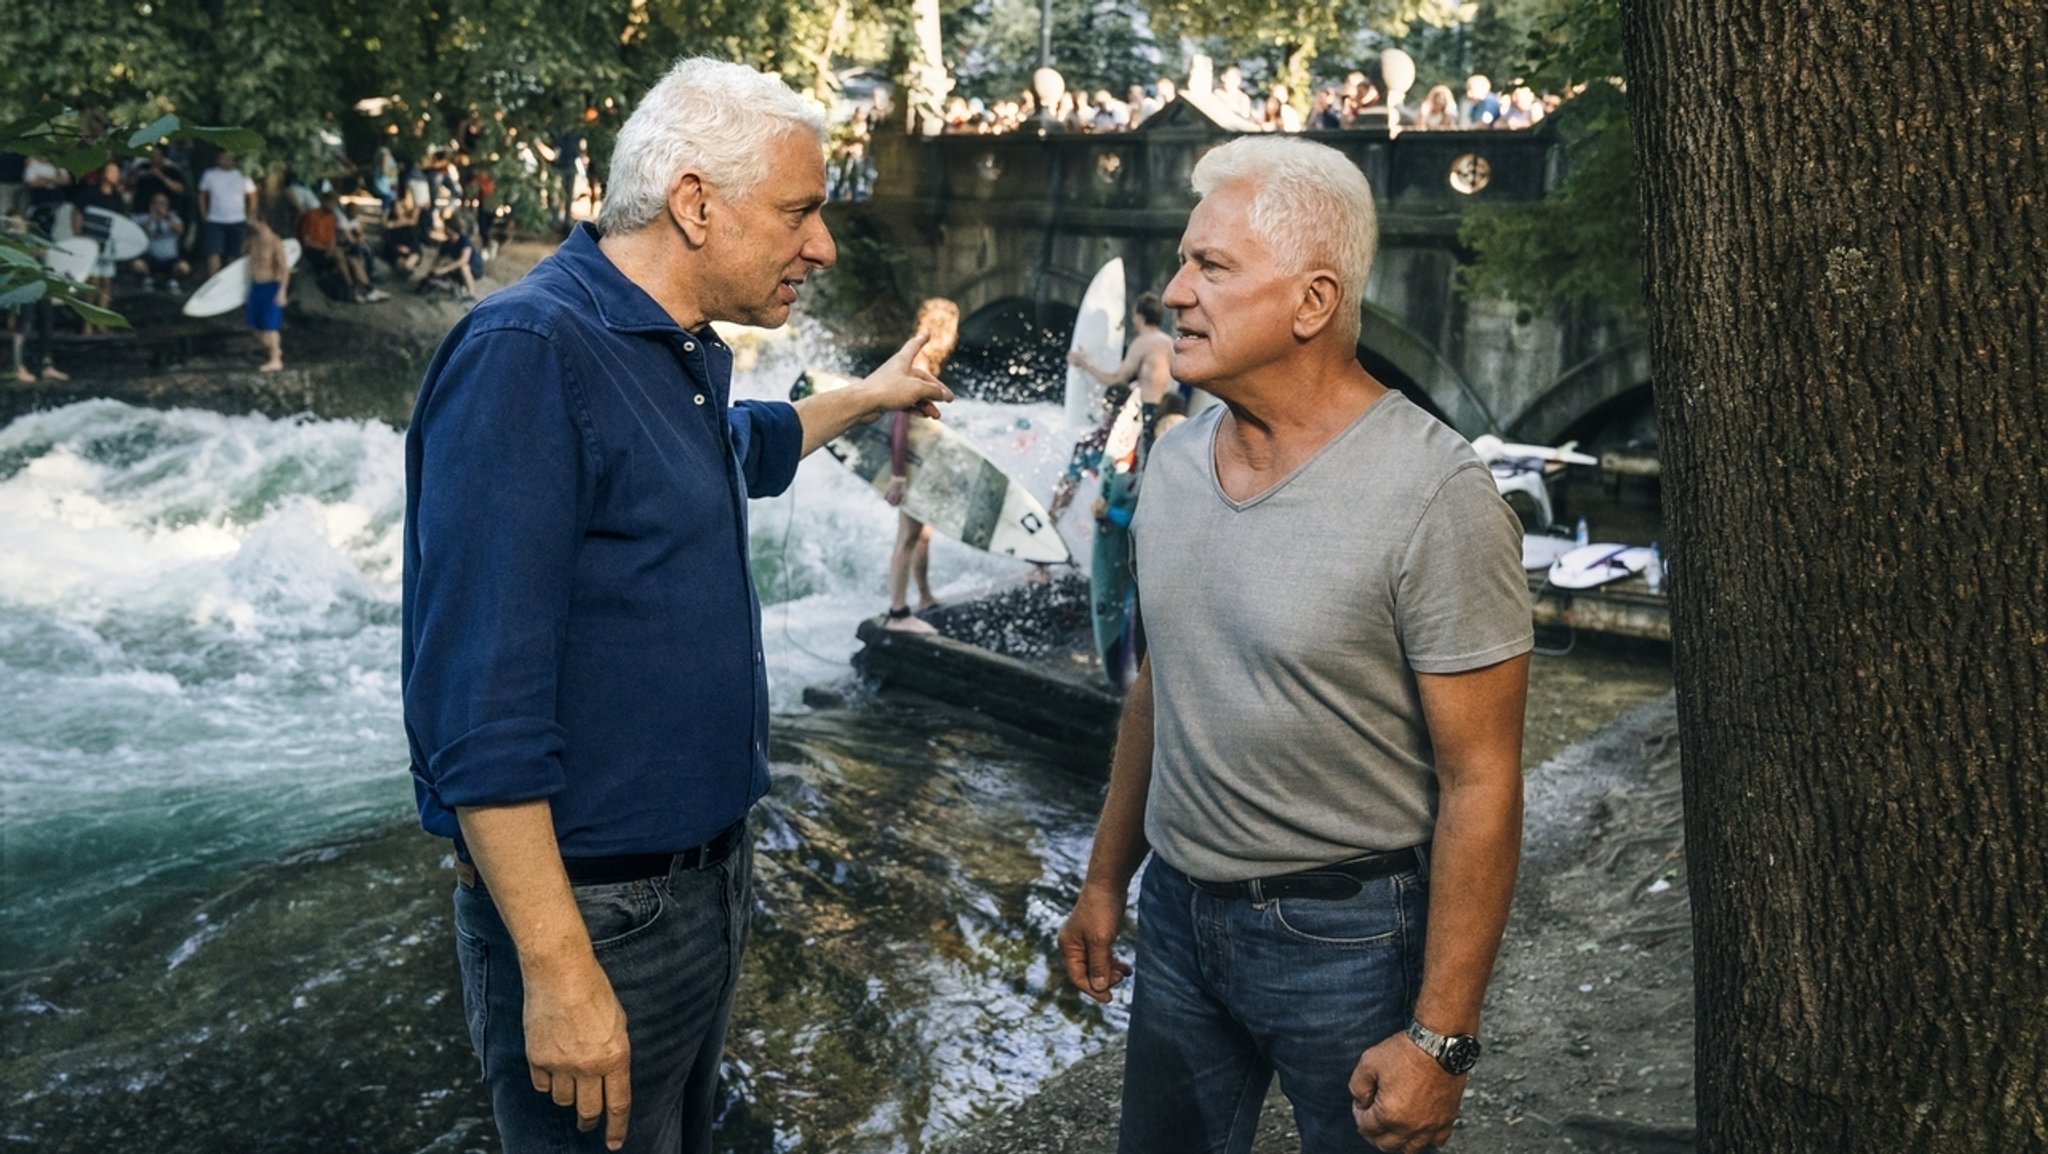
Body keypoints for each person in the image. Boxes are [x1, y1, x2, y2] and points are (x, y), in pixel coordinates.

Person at [401, 56, 950, 1154]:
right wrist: (558, 970)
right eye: (799, 212)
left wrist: (873, 393)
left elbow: (737, 449)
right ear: (694, 202)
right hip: (599, 917)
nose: (823, 244)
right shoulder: (528, 353)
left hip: (696, 888)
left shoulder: (670, 352)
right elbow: (477, 710)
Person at [1057, 135, 1532, 1154]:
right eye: (1184, 261)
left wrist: (1440, 1037)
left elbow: (1482, 778)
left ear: (1312, 302)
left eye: (1210, 267)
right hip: (1178, 919)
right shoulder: (1177, 463)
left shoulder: (1434, 493)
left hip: (1351, 938)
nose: (1175, 291)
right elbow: (1157, 688)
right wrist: (1106, 879)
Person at [882, 298, 960, 633]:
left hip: (919, 461)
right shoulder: (921, 361)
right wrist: (898, 475)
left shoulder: (921, 359)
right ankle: (897, 613)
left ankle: (925, 596)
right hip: (910, 464)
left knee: (923, 533)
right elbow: (900, 422)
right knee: (908, 536)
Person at [1066, 292, 1176, 451]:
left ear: (1139, 316)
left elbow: (1117, 380)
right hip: (1167, 410)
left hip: (1146, 411)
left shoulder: (1143, 342)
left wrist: (1083, 364)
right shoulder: (1169, 343)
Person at [198, 151, 255, 277]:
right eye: (223, 158)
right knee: (213, 252)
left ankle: (230, 282)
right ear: (218, 159)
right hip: (215, 220)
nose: (226, 161)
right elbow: (202, 195)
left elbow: (252, 195)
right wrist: (204, 214)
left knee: (234, 254)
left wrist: (250, 215)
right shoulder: (210, 174)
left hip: (237, 219)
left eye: (229, 158)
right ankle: (213, 283)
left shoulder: (242, 175)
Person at [245, 214, 290, 372]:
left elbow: (284, 269)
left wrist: (282, 291)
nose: (248, 222)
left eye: (251, 219)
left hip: (270, 286)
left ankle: (276, 359)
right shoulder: (253, 240)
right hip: (255, 286)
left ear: (261, 221)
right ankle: (275, 350)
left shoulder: (275, 241)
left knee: (270, 326)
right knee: (254, 325)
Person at [132, 191, 191, 292]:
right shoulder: (143, 217)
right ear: (151, 204)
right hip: (151, 257)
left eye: (163, 203)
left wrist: (168, 218)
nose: (160, 206)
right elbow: (138, 233)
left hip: (170, 257)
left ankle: (173, 280)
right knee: (137, 264)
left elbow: (180, 231)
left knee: (184, 267)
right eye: (157, 203)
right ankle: (148, 279)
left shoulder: (174, 217)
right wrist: (152, 218)